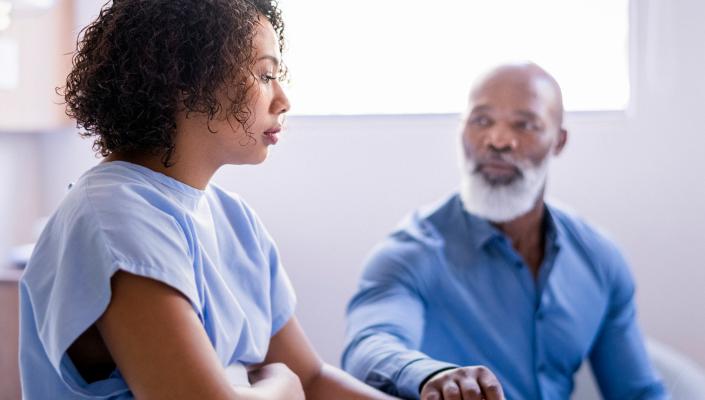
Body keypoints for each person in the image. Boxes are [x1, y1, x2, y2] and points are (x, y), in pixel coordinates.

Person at [18, 1, 397, 399]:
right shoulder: (113, 214)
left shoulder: (236, 220)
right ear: (187, 78)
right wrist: (283, 387)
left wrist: (286, 383)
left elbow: (314, 381)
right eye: (265, 75)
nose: (283, 100)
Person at [342, 63, 668, 400]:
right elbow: (369, 347)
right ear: (461, 131)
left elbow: (638, 392)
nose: (498, 140)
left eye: (524, 125)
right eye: (481, 121)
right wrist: (432, 376)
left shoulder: (600, 258)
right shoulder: (410, 253)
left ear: (559, 140)